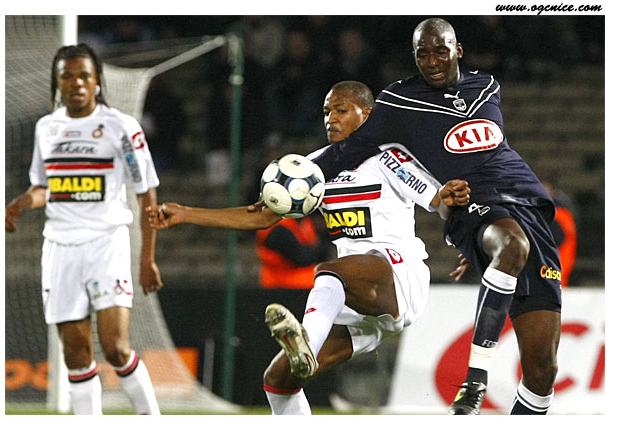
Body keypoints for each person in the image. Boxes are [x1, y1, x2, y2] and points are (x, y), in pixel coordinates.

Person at [146, 80, 471, 414]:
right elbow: (261, 217)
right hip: (353, 296)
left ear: (368, 115)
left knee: (329, 271)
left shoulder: (390, 159)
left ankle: (307, 343)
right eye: (327, 111)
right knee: (277, 381)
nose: (331, 119)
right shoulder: (313, 168)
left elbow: (439, 201)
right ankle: (304, 354)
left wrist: (459, 222)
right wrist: (185, 213)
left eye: (341, 110)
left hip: (398, 276)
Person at [312, 18, 562, 415]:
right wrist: (296, 175)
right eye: (422, 54)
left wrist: (480, 249)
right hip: (473, 203)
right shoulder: (397, 101)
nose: (431, 61)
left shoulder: (487, 86)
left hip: (527, 207)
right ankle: (474, 382)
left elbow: (491, 148)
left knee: (543, 371)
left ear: (457, 50)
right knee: (511, 244)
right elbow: (346, 151)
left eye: (440, 51)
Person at [5, 44, 163, 415]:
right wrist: (20, 204)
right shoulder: (47, 128)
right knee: (76, 354)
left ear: (96, 82)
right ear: (57, 82)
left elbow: (146, 192)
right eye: (67, 76)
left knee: (116, 348)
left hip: (107, 245)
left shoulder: (120, 127)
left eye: (84, 76)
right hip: (60, 248)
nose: (76, 83)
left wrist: (147, 258)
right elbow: (45, 187)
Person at [256, 215, 332, 289]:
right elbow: (301, 258)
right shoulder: (279, 228)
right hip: (280, 280)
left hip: (298, 274)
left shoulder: (304, 222)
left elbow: (322, 253)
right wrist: (318, 250)